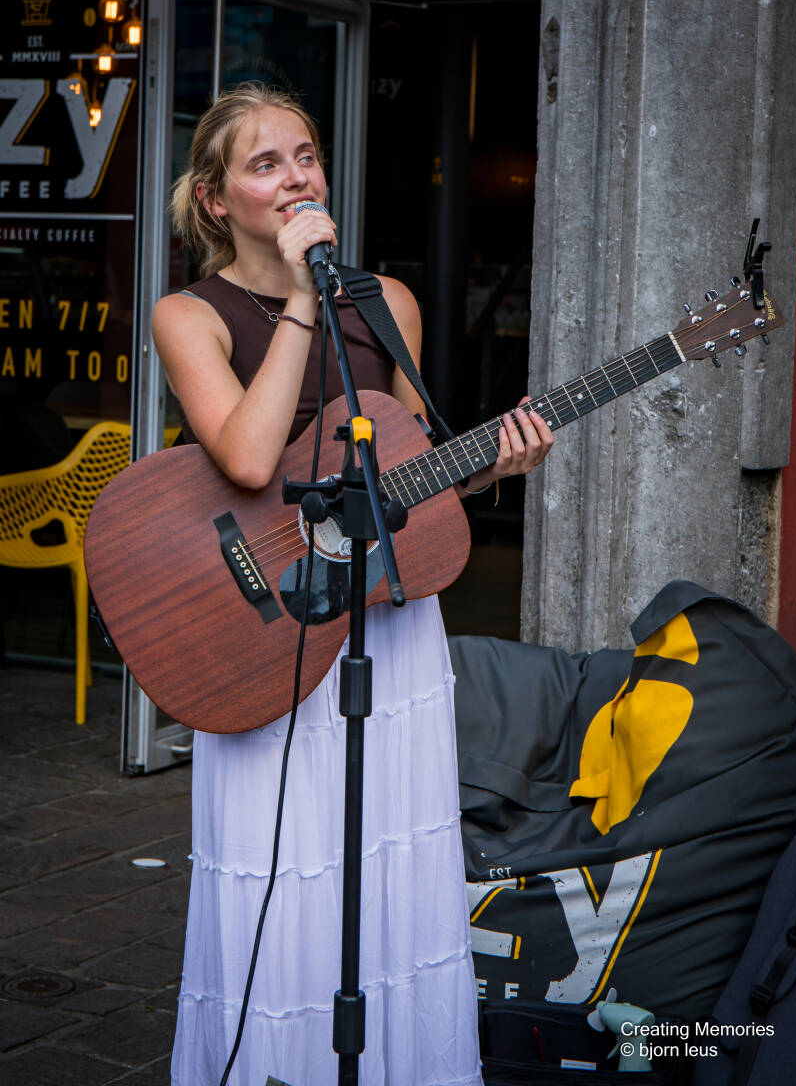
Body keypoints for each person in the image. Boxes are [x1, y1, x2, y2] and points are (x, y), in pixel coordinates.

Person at [154, 81, 554, 1086]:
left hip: (386, 625)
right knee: (283, 871)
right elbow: (250, 459)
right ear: (215, 200)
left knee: (388, 859)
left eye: (305, 156)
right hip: (265, 627)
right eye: (264, 164)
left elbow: (413, 475)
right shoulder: (188, 316)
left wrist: (491, 466)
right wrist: (302, 296)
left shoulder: (387, 304)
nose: (296, 178)